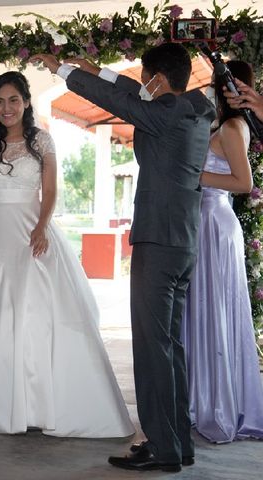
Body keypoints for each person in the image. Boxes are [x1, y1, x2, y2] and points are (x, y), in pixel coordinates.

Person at [31, 43, 215, 473]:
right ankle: (178, 444)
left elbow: (121, 101)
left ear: (158, 80)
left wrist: (66, 74)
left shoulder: (165, 115)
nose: (143, 88)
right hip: (182, 241)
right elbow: (132, 91)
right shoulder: (193, 110)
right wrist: (98, 69)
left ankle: (161, 449)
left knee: (153, 350)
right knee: (169, 348)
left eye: (147, 79)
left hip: (157, 241)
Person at [0, 71, 135, 438]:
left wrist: (41, 226)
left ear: (26, 102)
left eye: (13, 100)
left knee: (36, 309)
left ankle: (40, 403)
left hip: (32, 227)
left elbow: (50, 191)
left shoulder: (42, 141)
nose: (6, 108)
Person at [181, 61, 263, 443]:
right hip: (206, 220)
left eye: (228, 83)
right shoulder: (221, 123)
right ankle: (205, 399)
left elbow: (243, 183)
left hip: (214, 220)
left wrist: (191, 175)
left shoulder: (232, 127)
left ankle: (218, 406)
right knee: (205, 312)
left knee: (214, 312)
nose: (221, 89)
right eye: (220, 83)